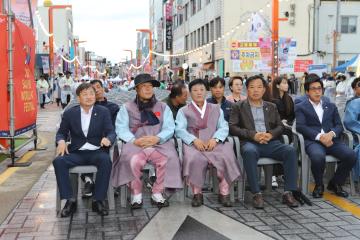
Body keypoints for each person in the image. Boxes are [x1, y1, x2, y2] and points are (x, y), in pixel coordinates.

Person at [112, 74, 182, 209]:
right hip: (136, 144)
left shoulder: (163, 107)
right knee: (131, 160)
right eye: (144, 86)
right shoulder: (126, 108)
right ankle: (136, 193)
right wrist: (134, 140)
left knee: (169, 159)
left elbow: (169, 127)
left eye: (150, 86)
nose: (148, 89)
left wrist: (157, 138)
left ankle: (157, 191)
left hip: (159, 143)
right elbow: (121, 128)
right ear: (136, 89)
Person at [229, 75, 298, 209]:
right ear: (247, 89)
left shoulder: (271, 106)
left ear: (264, 90)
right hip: (250, 143)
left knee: (290, 151)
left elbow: (280, 126)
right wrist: (252, 135)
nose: (256, 90)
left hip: (270, 142)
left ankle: (288, 192)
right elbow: (232, 127)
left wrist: (270, 134)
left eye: (259, 87)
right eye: (252, 87)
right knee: (249, 152)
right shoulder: (238, 106)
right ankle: (256, 193)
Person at [53, 83, 116, 217]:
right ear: (78, 97)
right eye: (85, 94)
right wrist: (61, 141)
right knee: (59, 162)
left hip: (96, 151)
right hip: (77, 152)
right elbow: (61, 132)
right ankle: (70, 200)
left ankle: (98, 200)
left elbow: (111, 131)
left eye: (92, 94)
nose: (89, 97)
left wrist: (108, 139)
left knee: (106, 161)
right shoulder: (70, 113)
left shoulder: (103, 112)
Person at [175, 79, 241, 207]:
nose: (199, 93)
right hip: (194, 144)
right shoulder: (183, 111)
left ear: (206, 91)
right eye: (195, 90)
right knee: (194, 158)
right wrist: (193, 139)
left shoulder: (216, 109)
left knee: (226, 156)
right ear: (190, 93)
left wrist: (215, 139)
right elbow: (179, 130)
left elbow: (223, 127)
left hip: (214, 143)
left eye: (201, 90)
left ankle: (224, 192)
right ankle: (197, 193)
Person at [295, 74, 356, 199]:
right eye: (313, 89)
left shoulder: (331, 106)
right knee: (317, 156)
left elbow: (339, 125)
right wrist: (320, 136)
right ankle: (319, 185)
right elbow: (301, 127)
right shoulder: (301, 107)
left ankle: (335, 183)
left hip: (332, 140)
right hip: (313, 141)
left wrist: (331, 134)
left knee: (351, 155)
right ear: (307, 92)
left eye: (319, 88)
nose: (317, 91)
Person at [80, 80, 120, 198]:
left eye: (98, 87)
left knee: (113, 148)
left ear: (103, 89)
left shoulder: (113, 107)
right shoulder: (86, 107)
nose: (96, 90)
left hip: (107, 140)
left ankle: (113, 182)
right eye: (93, 89)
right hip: (89, 141)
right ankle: (88, 180)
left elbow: (114, 128)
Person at [270, 76, 295, 187]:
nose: (287, 85)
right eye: (284, 83)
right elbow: (270, 117)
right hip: (274, 128)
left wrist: (288, 122)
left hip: (287, 127)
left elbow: (292, 115)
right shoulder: (271, 99)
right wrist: (280, 122)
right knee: (279, 140)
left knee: (288, 139)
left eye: (287, 83)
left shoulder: (288, 98)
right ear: (277, 85)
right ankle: (272, 174)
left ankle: (282, 171)